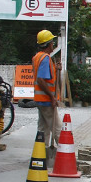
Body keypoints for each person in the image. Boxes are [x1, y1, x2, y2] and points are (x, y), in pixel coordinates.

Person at [32, 30, 62, 159]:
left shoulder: (37, 57)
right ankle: (64, 154)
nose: (53, 44)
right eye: (52, 42)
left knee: (43, 128)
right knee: (56, 128)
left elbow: (45, 77)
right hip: (46, 100)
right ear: (49, 44)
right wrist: (52, 97)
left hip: (40, 99)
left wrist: (56, 70)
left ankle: (41, 155)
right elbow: (41, 79)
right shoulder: (45, 59)